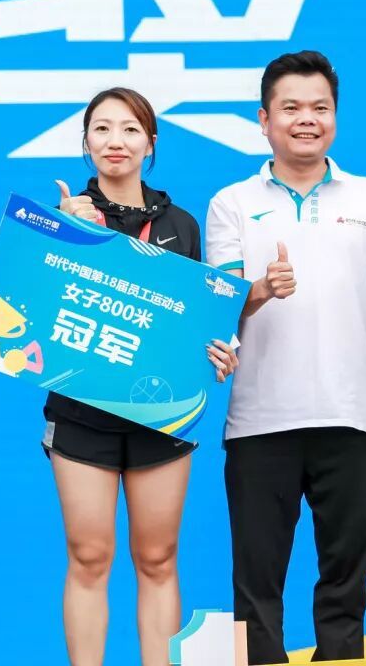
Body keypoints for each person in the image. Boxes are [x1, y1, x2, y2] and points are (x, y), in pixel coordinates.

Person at [206, 51, 366, 664]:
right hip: (258, 422)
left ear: (335, 117)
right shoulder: (231, 203)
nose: (306, 119)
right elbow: (219, 305)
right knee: (255, 587)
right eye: (291, 108)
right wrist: (261, 289)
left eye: (320, 108)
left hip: (351, 417)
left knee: (346, 581)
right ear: (264, 119)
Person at [44, 87, 239, 666]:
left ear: (150, 143)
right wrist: (67, 235)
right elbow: (29, 317)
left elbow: (197, 319)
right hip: (81, 412)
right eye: (102, 129)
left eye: (130, 129)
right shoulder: (63, 219)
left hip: (163, 412)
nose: (116, 141)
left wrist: (219, 351)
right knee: (89, 557)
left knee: (157, 558)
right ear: (86, 142)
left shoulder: (181, 224)